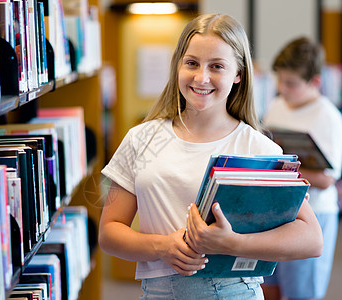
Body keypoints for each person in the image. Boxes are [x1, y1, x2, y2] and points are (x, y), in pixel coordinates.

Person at [99, 14, 323, 300]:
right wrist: (163, 246)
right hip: (159, 293)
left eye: (217, 66)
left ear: (238, 74)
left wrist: (232, 243)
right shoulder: (140, 139)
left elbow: (312, 240)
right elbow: (109, 233)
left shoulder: (259, 148)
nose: (201, 77)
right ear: (178, 65)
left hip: (236, 292)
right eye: (191, 63)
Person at [262, 37, 342, 300]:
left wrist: (282, 167)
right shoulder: (276, 106)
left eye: (291, 83)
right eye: (280, 80)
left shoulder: (329, 117)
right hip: (275, 210)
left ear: (315, 82)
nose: (282, 88)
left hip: (314, 213)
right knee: (266, 287)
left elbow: (326, 180)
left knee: (301, 293)